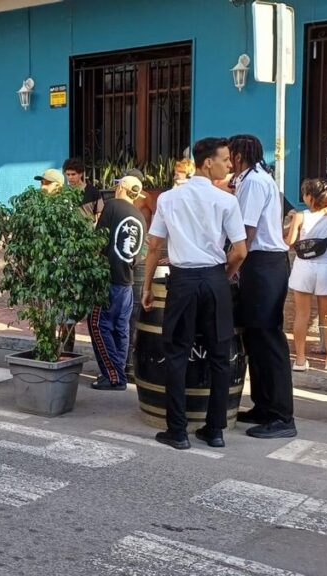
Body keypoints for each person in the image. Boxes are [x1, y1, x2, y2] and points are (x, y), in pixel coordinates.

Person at [142, 137, 247, 451]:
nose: (230, 165)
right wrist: (222, 278)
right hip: (214, 279)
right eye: (225, 159)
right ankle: (215, 430)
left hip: (183, 280)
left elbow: (154, 246)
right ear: (206, 163)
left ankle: (178, 430)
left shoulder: (169, 199)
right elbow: (240, 251)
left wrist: (147, 286)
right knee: (219, 357)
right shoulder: (227, 201)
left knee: (176, 355)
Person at [229, 134, 297, 440]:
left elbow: (247, 231)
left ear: (239, 155)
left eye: (229, 154)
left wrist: (232, 265)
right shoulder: (250, 179)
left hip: (264, 263)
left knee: (268, 338)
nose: (226, 160)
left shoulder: (254, 181)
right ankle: (263, 405)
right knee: (254, 338)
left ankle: (282, 415)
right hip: (261, 263)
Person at [89, 175, 146, 391]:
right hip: (127, 281)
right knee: (120, 328)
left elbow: (97, 241)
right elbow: (138, 254)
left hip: (107, 278)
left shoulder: (112, 207)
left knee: (98, 325)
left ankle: (113, 376)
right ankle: (118, 371)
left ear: (121, 188)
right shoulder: (139, 215)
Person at [285, 179, 327, 372]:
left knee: (302, 315)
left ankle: (300, 360)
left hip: (304, 268)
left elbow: (290, 242)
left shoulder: (301, 216)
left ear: (309, 197)